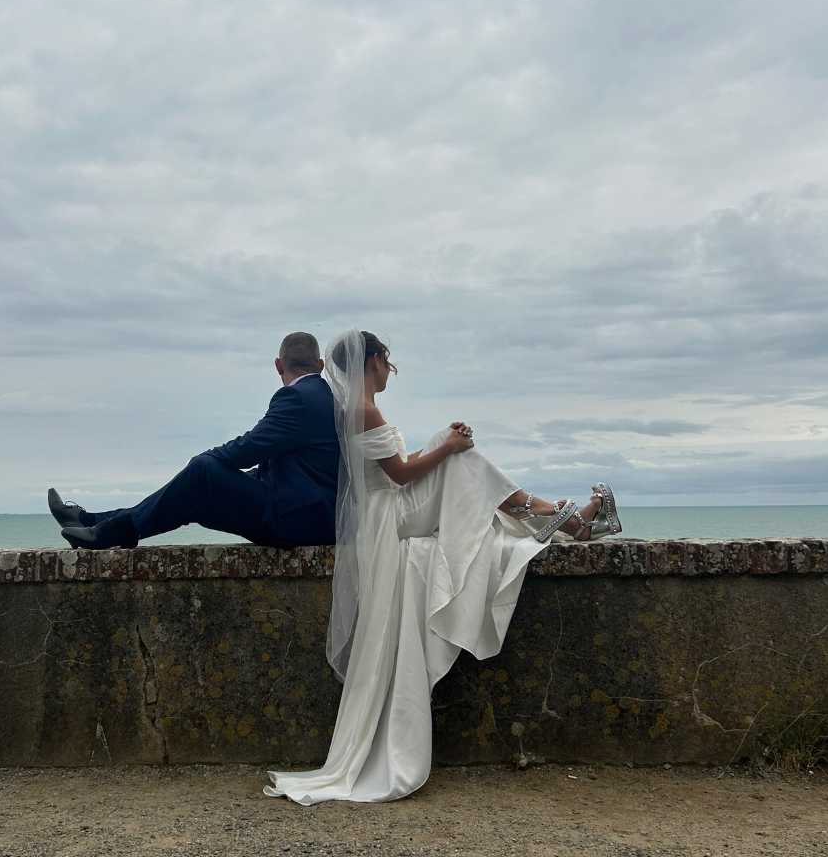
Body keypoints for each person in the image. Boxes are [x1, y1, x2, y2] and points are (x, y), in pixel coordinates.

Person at [263, 329, 621, 806]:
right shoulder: (363, 410)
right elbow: (401, 474)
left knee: (458, 459)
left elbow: (400, 463)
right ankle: (558, 516)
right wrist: (449, 447)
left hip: (391, 508)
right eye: (388, 362)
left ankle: (555, 516)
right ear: (371, 362)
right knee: (459, 460)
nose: (391, 370)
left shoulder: (360, 407)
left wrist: (447, 446)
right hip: (391, 516)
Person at [48, 332, 340, 549]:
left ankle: (106, 531)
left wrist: (207, 460)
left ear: (278, 365)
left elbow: (246, 450)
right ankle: (93, 523)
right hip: (309, 516)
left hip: (300, 521)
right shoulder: (322, 396)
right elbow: (290, 464)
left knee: (202, 471)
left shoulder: (298, 397)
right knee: (190, 498)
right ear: (321, 364)